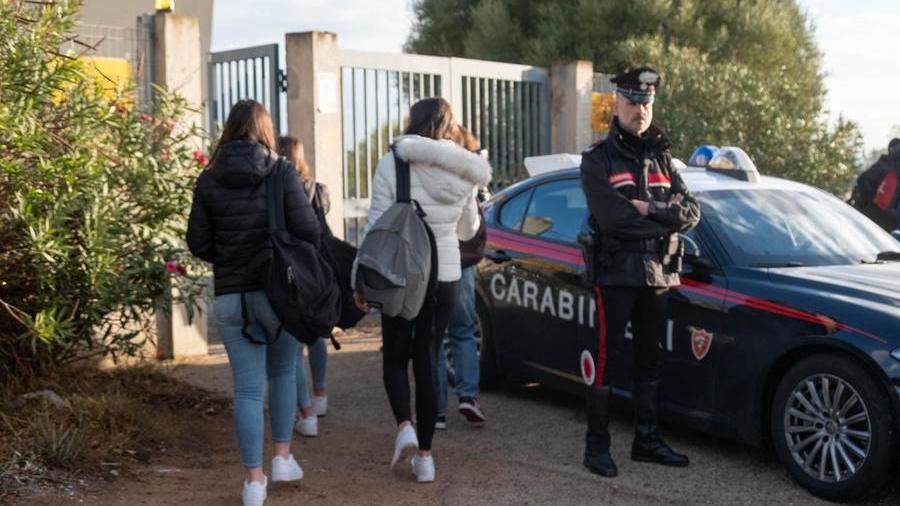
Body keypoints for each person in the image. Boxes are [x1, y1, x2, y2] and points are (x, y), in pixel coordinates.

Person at [187, 100, 319, 506]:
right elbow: (309, 228)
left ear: (228, 129)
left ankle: (254, 483)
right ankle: (282, 458)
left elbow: (197, 242)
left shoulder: (208, 178)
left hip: (232, 296)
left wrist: (229, 257)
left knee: (246, 390)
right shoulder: (282, 172)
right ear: (265, 129)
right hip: (279, 294)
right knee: (283, 373)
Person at [354, 98, 492, 482]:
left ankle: (405, 427)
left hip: (401, 272)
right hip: (445, 275)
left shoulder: (394, 162)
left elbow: (377, 224)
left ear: (413, 121)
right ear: (449, 125)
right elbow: (468, 230)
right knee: (428, 357)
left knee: (395, 356)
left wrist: (358, 277)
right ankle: (426, 460)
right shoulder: (465, 169)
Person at [579, 67, 701, 477]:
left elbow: (693, 213)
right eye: (632, 102)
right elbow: (614, 221)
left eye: (646, 103)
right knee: (606, 359)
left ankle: (646, 442)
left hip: (659, 275)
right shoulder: (598, 159)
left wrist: (651, 209)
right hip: (615, 273)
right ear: (616, 104)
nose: (640, 110)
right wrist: (667, 220)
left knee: (650, 360)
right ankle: (596, 446)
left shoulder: (663, 156)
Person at [276, 135, 331, 438]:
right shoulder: (318, 189)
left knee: (294, 344)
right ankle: (320, 394)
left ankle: (306, 412)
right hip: (317, 268)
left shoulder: (277, 188)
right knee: (317, 332)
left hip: (289, 270)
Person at [435, 126, 488, 430]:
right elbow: (471, 227)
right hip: (461, 264)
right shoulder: (468, 177)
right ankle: (468, 396)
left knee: (433, 336)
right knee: (463, 330)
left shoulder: (425, 171)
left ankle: (437, 410)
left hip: (432, 263)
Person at [850, 138, 900, 232]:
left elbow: (862, 180)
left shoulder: (884, 164)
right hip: (884, 222)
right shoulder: (885, 166)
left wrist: (873, 198)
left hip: (867, 213)